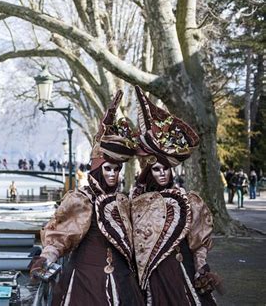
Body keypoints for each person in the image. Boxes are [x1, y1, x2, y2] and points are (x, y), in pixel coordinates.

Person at [29, 90, 144, 305]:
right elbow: (61, 236)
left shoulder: (122, 201)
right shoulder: (82, 200)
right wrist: (46, 258)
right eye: (108, 169)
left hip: (122, 279)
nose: (113, 174)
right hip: (85, 280)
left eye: (117, 169)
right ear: (98, 169)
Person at [130, 86, 221, 305]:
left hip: (183, 271)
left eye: (166, 169)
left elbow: (198, 241)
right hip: (151, 277)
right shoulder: (135, 203)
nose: (162, 173)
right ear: (147, 171)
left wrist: (201, 268)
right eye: (156, 169)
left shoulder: (188, 201)